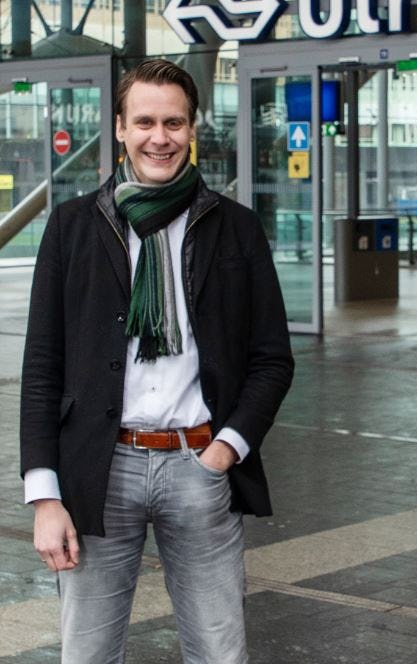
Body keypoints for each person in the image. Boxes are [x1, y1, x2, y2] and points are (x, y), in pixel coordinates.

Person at [20, 59, 294, 664]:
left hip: (199, 465)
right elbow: (43, 365)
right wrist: (45, 497)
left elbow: (272, 359)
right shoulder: (72, 227)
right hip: (99, 468)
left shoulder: (236, 229)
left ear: (193, 129)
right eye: (144, 121)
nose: (159, 137)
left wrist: (227, 448)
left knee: (220, 653)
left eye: (173, 122)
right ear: (120, 127)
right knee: (87, 654)